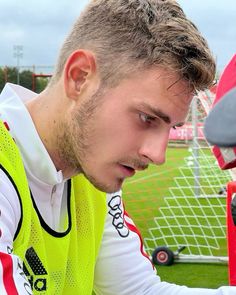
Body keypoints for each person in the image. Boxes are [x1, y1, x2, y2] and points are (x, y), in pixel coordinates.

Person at [0, 0, 235, 294]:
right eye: (146, 118)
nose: (157, 155)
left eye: (171, 127)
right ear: (80, 77)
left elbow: (137, 289)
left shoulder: (89, 173)